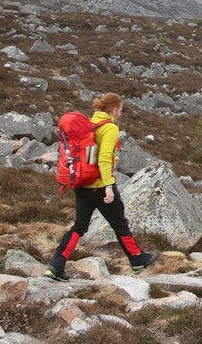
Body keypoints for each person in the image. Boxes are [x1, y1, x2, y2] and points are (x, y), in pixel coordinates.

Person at [46, 92, 159, 280]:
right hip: (99, 185)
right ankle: (137, 259)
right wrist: (108, 185)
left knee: (80, 226)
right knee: (120, 223)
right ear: (114, 110)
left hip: (82, 185)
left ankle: (56, 265)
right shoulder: (109, 128)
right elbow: (104, 159)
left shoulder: (90, 123)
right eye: (120, 110)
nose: (120, 114)